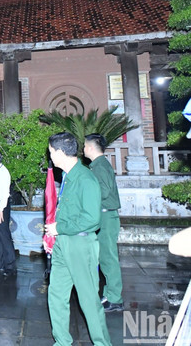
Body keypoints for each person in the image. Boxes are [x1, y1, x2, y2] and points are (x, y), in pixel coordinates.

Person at [45, 132, 111, 346]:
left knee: (89, 299)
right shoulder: (68, 176)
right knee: (56, 294)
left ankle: (103, 343)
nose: (50, 156)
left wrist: (60, 227)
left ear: (61, 153)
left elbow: (93, 219)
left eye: (51, 151)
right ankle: (62, 341)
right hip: (63, 243)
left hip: (81, 244)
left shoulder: (85, 178)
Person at [84, 134, 124, 312]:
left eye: (85, 146)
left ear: (91, 148)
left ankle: (115, 298)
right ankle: (110, 294)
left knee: (108, 258)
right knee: (104, 257)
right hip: (104, 215)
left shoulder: (99, 166)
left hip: (106, 216)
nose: (83, 149)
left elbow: (105, 192)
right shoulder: (98, 165)